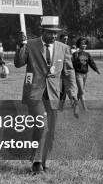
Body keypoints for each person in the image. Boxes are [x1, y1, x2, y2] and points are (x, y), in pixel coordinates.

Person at [14, 16, 78, 174]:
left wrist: (73, 93)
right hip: (35, 93)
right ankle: (36, 162)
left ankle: (44, 160)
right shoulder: (30, 44)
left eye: (56, 33)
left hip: (54, 94)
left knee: (51, 130)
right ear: (42, 31)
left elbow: (69, 73)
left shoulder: (63, 48)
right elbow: (18, 62)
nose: (54, 36)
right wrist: (20, 45)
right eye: (50, 33)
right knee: (41, 125)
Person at [72, 38, 100, 111]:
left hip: (85, 75)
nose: (84, 45)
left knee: (80, 91)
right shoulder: (75, 54)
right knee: (82, 91)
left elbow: (91, 63)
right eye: (82, 43)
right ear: (79, 44)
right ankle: (85, 108)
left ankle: (75, 104)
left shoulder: (87, 54)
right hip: (78, 74)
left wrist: (96, 70)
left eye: (85, 44)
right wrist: (75, 58)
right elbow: (73, 64)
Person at [58, 32, 69, 110]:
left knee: (64, 89)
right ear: (60, 39)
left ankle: (61, 106)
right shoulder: (56, 47)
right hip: (57, 71)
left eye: (67, 39)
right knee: (57, 89)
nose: (66, 40)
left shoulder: (68, 47)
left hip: (65, 72)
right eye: (64, 39)